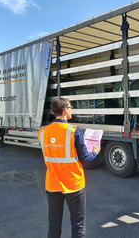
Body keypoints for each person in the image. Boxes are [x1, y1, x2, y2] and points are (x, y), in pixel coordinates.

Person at [38, 97, 101, 238]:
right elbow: (85, 159)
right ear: (65, 110)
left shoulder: (43, 132)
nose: (72, 109)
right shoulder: (74, 132)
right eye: (71, 107)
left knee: (54, 224)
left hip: (53, 185)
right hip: (73, 185)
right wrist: (95, 152)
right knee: (78, 224)